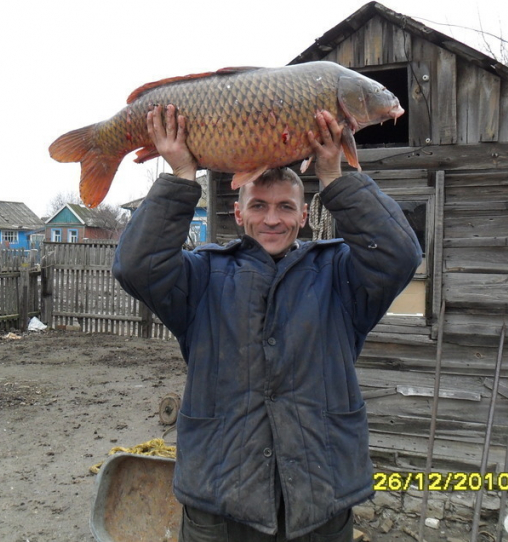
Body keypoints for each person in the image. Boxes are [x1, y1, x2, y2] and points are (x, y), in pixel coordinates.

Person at [112, 104, 422, 541]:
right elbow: (136, 266)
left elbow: (401, 255)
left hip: (320, 500)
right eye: (258, 205)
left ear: (303, 215)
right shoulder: (201, 277)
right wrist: (182, 175)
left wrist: (334, 177)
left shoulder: (340, 276)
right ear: (239, 215)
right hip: (219, 502)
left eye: (284, 207)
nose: (272, 218)